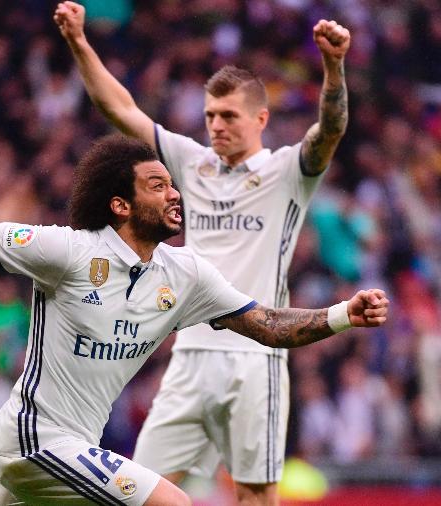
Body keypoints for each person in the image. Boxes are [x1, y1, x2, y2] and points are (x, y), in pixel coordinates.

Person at [0, 134, 388, 505]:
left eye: (172, 184)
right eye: (156, 186)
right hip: (33, 439)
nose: (174, 193)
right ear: (121, 205)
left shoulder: (185, 275)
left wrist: (342, 315)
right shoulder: (71, 251)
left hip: (74, 448)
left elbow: (268, 324)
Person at [55, 3, 351, 503]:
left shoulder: (287, 171)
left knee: (255, 495)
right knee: (136, 488)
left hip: (257, 353)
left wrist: (334, 67)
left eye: (228, 116)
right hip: (191, 353)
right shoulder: (192, 163)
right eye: (210, 115)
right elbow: (120, 109)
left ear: (261, 118)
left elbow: (331, 130)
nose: (215, 126)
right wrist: (80, 42)